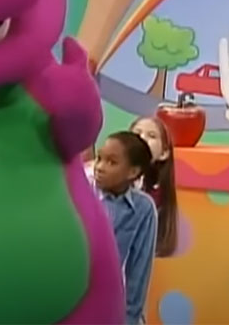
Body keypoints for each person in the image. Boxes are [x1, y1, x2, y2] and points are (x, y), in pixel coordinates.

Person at [92, 131, 158, 325]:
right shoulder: (82, 190)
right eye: (99, 158)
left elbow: (139, 270)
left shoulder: (143, 208)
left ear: (133, 172)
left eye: (112, 162)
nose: (100, 167)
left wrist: (129, 318)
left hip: (107, 303)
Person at [130, 116, 179, 257]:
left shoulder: (154, 195)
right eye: (137, 133)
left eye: (151, 136)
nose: (142, 138)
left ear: (164, 153)